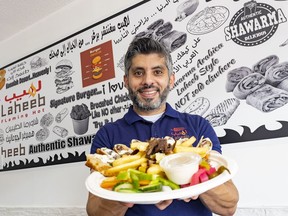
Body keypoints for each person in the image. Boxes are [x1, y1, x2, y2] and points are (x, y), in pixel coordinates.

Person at [86, 37, 239, 216]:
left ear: (171, 79)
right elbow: (94, 211)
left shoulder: (198, 126)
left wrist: (191, 176)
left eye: (157, 72)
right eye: (138, 73)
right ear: (126, 81)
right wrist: (125, 189)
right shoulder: (107, 135)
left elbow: (228, 207)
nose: (148, 80)